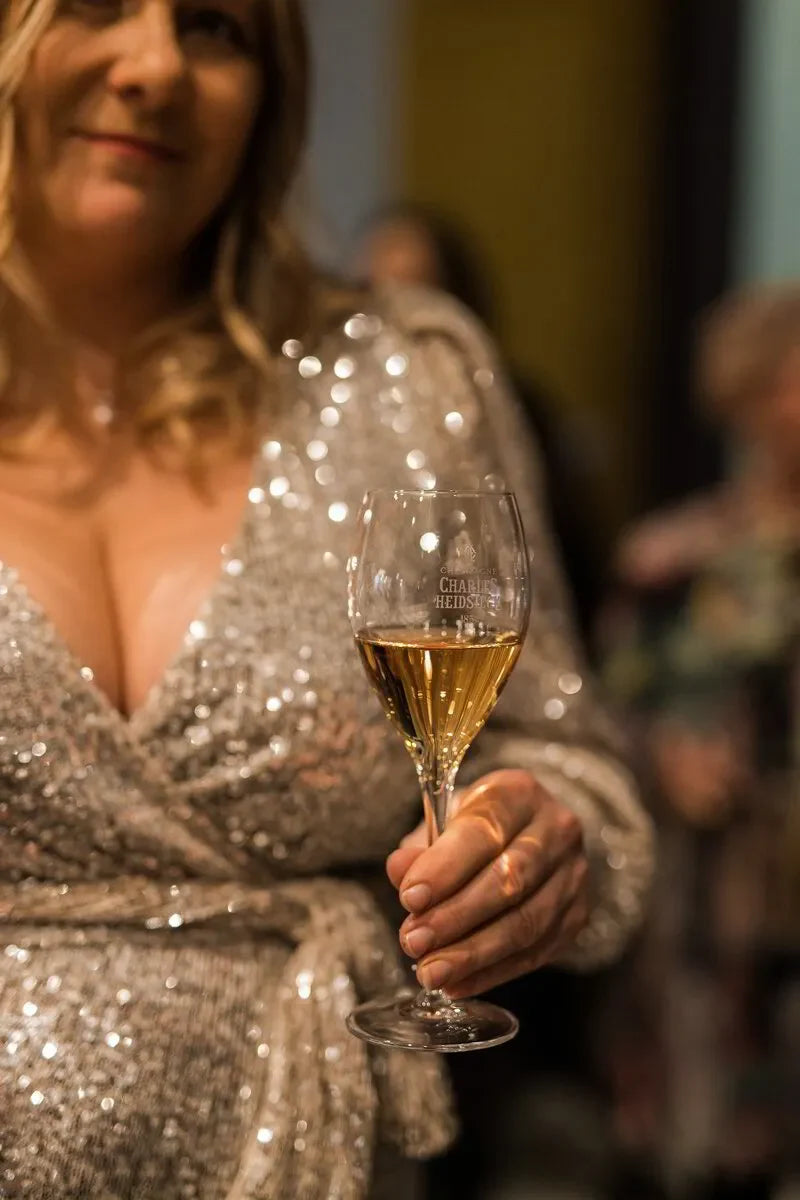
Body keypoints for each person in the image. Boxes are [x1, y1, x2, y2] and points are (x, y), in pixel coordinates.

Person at [0, 1, 653, 1197]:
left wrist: (548, 844)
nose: (154, 66)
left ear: (272, 90)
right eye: (93, 3)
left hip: (323, 1154)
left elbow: (576, 763)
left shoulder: (399, 379)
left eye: (215, 28)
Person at [599, 285, 800, 1199]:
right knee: (701, 1149)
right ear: (751, 393)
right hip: (706, 910)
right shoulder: (670, 559)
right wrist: (664, 760)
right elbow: (594, 718)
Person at [353, 202, 606, 639]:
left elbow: (562, 565)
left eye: (415, 289)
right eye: (373, 289)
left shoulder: (516, 410)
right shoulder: (341, 425)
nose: (397, 314)